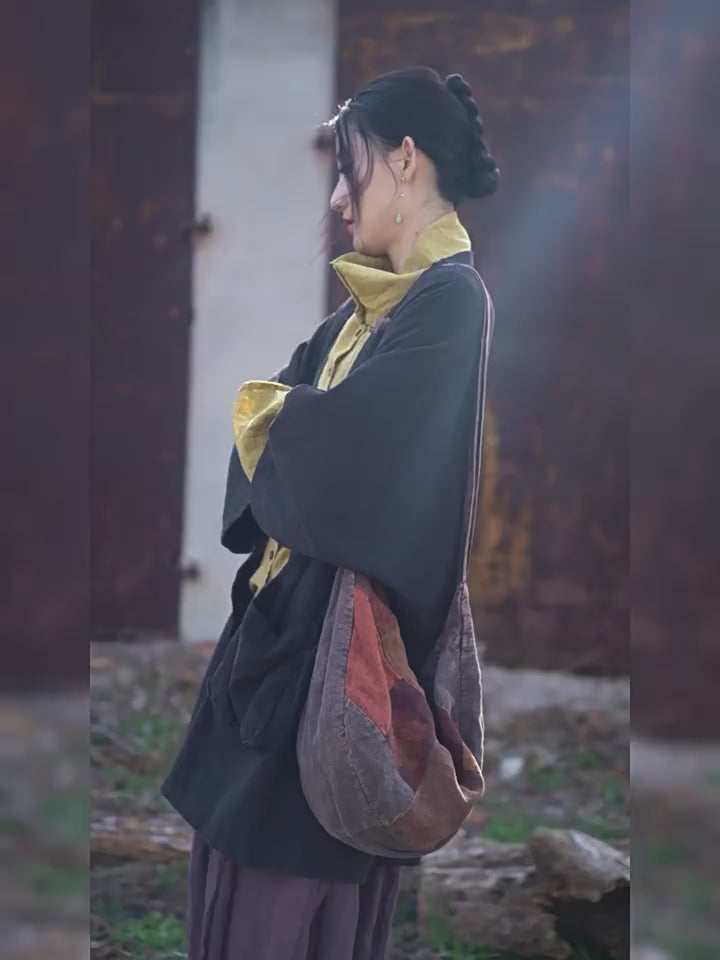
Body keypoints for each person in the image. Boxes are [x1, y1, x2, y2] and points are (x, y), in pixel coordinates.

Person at [163, 65, 498, 960]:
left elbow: (340, 457)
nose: (340, 200)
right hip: (283, 636)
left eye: (349, 170)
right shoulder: (366, 313)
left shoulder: (450, 301)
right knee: (236, 884)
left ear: (405, 160)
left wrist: (287, 420)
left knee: (285, 906)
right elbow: (284, 423)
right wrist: (292, 421)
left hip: (335, 658)